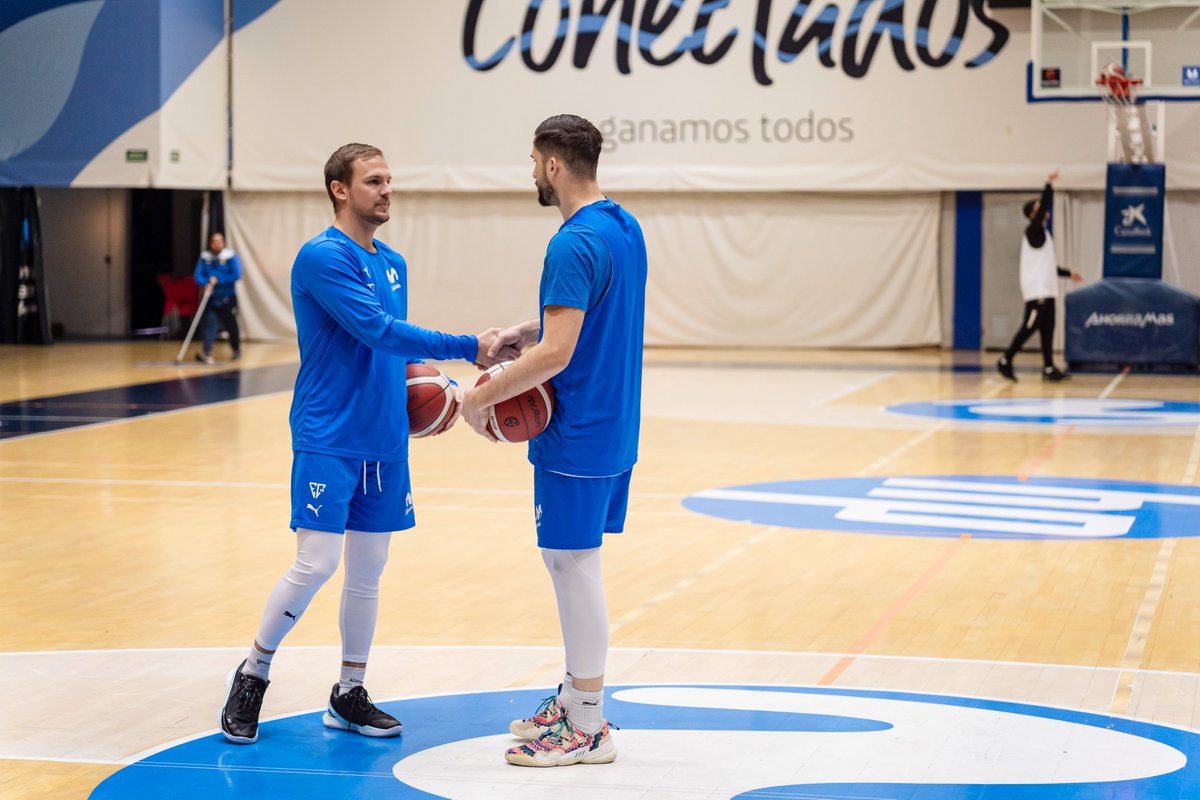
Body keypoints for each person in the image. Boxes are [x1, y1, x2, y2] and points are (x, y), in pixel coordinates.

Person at [219, 143, 514, 745]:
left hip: (384, 438)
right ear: (339, 189)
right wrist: (467, 346)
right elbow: (376, 329)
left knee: (369, 570)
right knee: (318, 561)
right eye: (373, 180)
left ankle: (349, 692)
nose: (385, 191)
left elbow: (389, 351)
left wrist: (431, 396)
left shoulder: (395, 262)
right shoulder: (321, 257)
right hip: (329, 433)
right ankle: (253, 672)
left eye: (389, 181)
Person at [462, 114, 648, 768]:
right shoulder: (624, 226)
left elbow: (559, 353)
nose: (532, 173)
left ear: (550, 165)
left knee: (573, 567)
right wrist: (527, 329)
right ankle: (575, 697)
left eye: (533, 162)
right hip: (614, 424)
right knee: (575, 563)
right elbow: (576, 323)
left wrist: (478, 396)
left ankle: (588, 724)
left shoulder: (571, 243)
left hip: (578, 431)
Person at [996, 170, 1083, 382]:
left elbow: (1046, 265)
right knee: (1029, 327)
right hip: (1037, 291)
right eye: (1038, 208)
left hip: (1048, 289)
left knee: (1048, 329)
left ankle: (1048, 368)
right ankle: (1005, 360)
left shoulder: (1043, 235)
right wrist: (1048, 185)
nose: (1043, 210)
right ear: (1033, 215)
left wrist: (1067, 273)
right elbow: (1044, 205)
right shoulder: (1032, 231)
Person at [193, 231, 242, 364]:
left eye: (219, 241)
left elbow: (237, 274)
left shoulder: (230, 256)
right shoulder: (205, 257)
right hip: (211, 297)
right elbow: (198, 275)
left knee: (231, 325)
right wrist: (206, 281)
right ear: (211, 243)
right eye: (214, 242)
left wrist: (218, 279)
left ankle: (236, 350)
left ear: (223, 242)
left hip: (227, 297)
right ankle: (206, 352)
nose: (217, 244)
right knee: (210, 323)